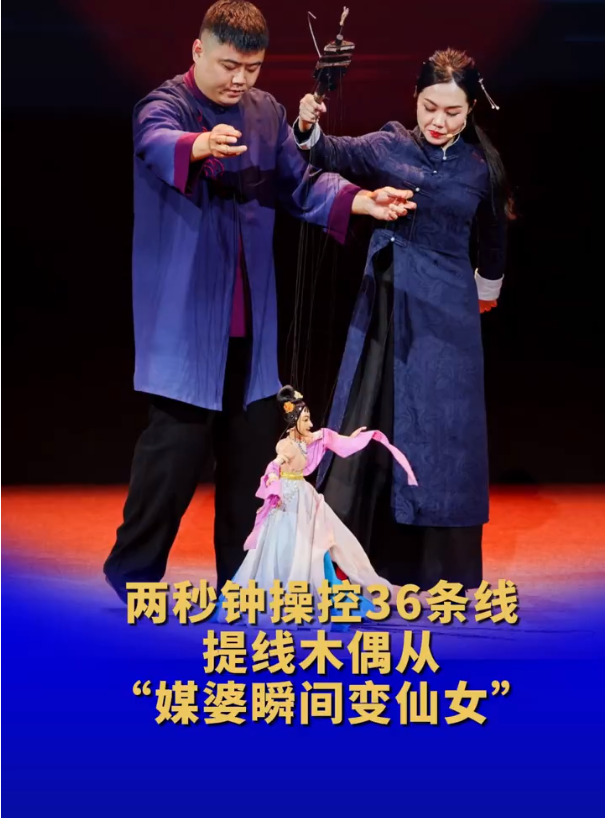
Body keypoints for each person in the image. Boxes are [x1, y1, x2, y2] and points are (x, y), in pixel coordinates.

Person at [103, 1, 415, 602]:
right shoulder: (164, 103)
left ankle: (240, 582)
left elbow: (300, 183)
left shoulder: (265, 112)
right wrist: (199, 144)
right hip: (187, 322)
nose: (240, 79)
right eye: (229, 65)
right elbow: (156, 140)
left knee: (252, 468)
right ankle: (132, 573)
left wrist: (360, 200)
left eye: (252, 68)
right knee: (172, 461)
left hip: (252, 323)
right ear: (198, 50)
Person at [293, 48, 513, 594]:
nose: (438, 121)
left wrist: (486, 290)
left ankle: (440, 571)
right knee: (379, 416)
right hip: (389, 309)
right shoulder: (391, 143)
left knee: (446, 432)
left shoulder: (480, 167)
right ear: (414, 99)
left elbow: (493, 237)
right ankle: (358, 563)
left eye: (453, 112)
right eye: (429, 107)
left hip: (449, 313)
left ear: (471, 109)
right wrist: (308, 125)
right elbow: (330, 152)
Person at [217, 385, 417, 627]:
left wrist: (353, 440)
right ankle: (285, 596)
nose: (310, 424)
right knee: (286, 545)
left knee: (323, 543)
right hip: (287, 499)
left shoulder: (311, 439)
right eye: (305, 419)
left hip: (305, 497)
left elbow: (332, 440)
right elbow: (275, 464)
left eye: (309, 418)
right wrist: (271, 478)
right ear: (293, 421)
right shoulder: (286, 445)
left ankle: (346, 586)